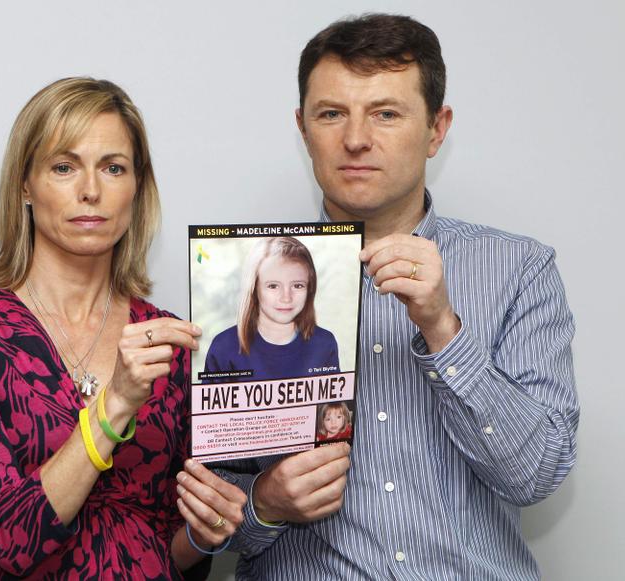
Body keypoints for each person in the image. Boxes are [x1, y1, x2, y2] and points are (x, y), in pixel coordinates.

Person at [216, 14, 579, 580]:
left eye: (386, 113)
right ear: (303, 127)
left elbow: (537, 474)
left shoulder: (520, 271)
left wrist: (443, 329)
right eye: (331, 113)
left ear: (437, 129)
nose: (356, 138)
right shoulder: (241, 280)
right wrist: (263, 505)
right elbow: (197, 523)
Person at [0, 77, 246, 580]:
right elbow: (12, 539)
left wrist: (206, 532)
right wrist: (115, 405)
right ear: (25, 184)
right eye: (64, 167)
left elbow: (166, 549)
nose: (91, 191)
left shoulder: (174, 343)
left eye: (113, 168)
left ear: (137, 188)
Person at [203, 236, 339, 382]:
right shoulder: (224, 347)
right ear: (254, 289)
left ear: (310, 288)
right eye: (273, 286)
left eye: (297, 285)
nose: (286, 298)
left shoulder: (324, 343)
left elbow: (333, 402)